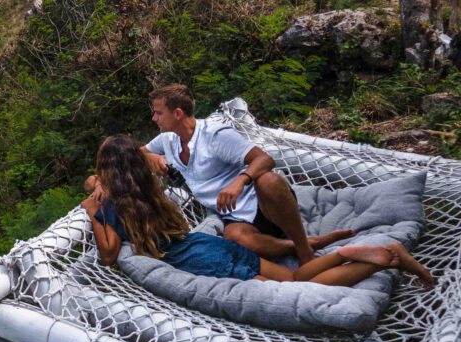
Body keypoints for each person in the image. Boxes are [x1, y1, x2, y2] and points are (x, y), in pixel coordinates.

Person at [82, 135, 435, 288]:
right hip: (211, 247)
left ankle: (366, 255)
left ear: (108, 174)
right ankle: (360, 253)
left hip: (203, 263)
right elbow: (100, 177)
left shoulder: (110, 208)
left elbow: (110, 254)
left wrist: (93, 212)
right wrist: (97, 187)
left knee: (301, 286)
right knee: (297, 279)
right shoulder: (149, 191)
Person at [140, 84, 352, 266]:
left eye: (158, 113)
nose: (153, 118)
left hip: (265, 205)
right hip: (234, 216)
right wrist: (153, 158)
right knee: (234, 237)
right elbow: (139, 152)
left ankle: (304, 250)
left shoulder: (215, 136)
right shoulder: (168, 141)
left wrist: (240, 181)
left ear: (177, 113)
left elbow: (264, 159)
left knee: (268, 179)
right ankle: (306, 244)